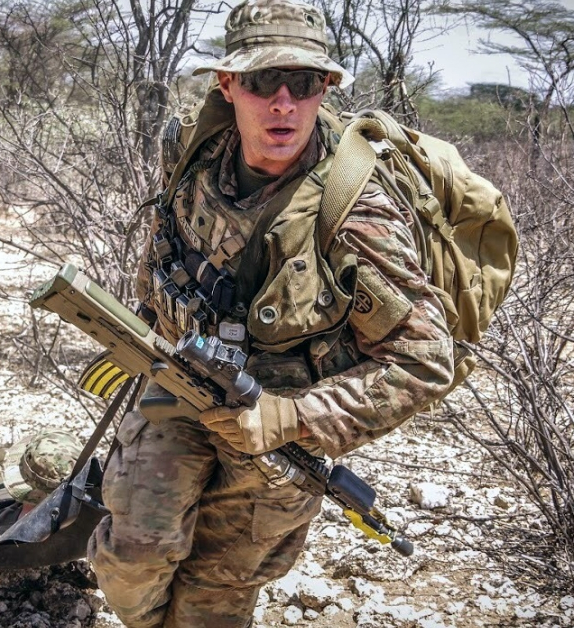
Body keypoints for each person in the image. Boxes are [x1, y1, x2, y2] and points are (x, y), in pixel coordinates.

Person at [87, 1, 477, 626]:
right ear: (228, 84)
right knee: (131, 561)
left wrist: (291, 415)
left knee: (213, 598)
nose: (284, 104)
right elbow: (167, 241)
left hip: (280, 430)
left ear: (326, 88)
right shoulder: (193, 149)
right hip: (180, 385)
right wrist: (146, 330)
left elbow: (426, 358)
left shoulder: (354, 208)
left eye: (304, 83)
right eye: (264, 81)